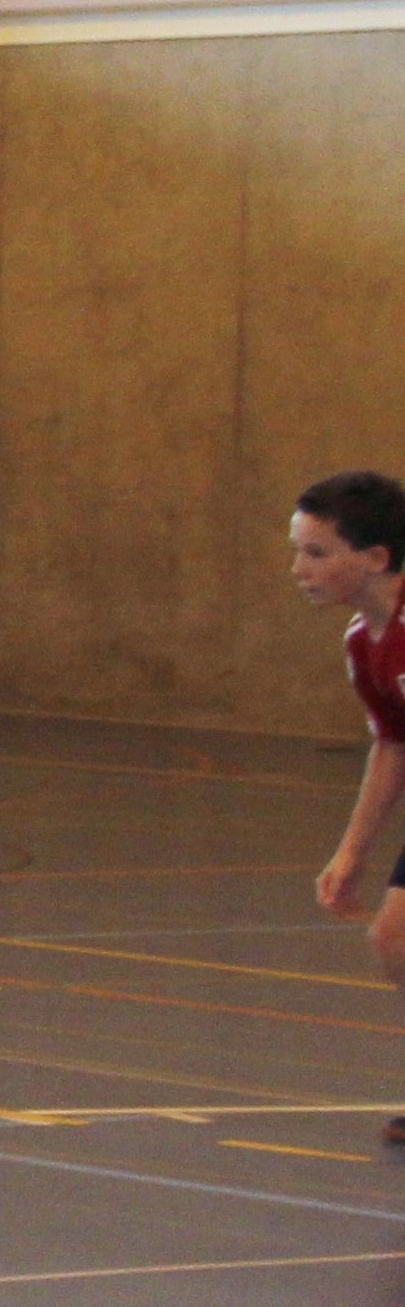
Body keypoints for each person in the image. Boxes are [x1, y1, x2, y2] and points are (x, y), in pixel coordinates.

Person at [281, 469, 405, 1153]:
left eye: (318, 552)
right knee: (394, 939)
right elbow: (393, 743)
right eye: (298, 551)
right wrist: (352, 852)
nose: (299, 569)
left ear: (376, 557)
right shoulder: (364, 642)